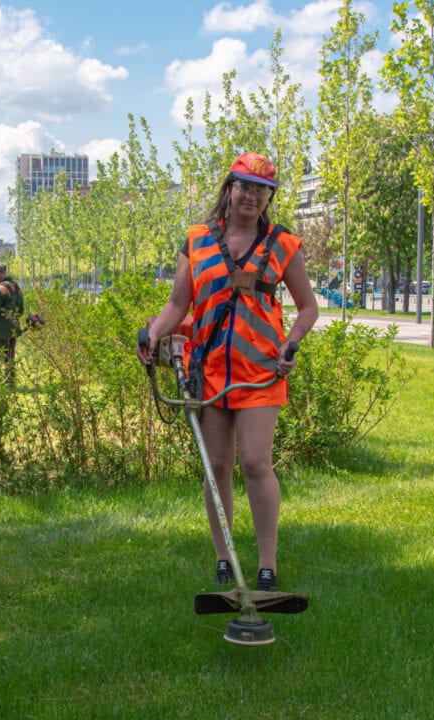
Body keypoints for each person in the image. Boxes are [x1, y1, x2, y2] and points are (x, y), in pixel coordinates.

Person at [136, 152, 319, 593]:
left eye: (261, 189)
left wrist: (291, 343)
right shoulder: (198, 240)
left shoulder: (282, 244)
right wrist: (152, 333)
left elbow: (308, 306)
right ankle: (223, 560)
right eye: (244, 186)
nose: (251, 195)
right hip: (210, 370)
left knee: (255, 463)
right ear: (229, 188)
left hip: (260, 371)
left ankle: (267, 567)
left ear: (269, 196)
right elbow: (179, 304)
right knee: (216, 466)